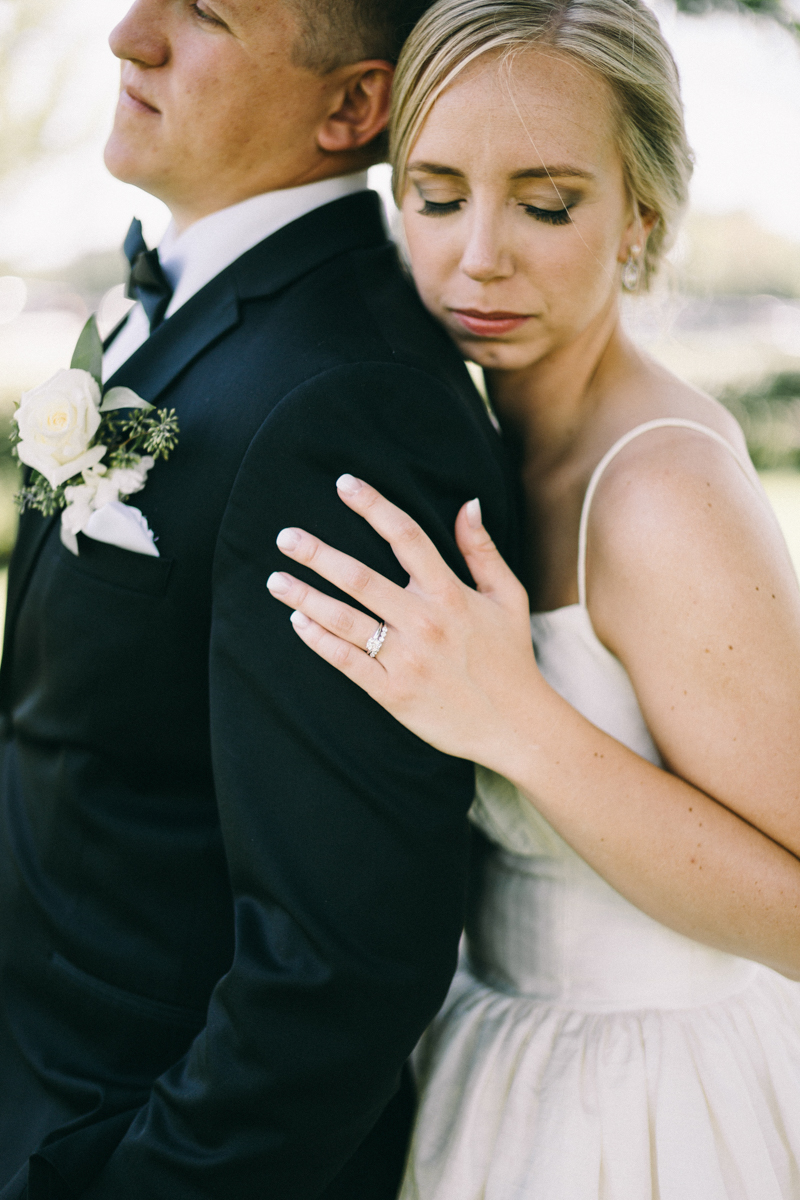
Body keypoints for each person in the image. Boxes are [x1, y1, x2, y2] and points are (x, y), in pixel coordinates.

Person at [267, 0, 800, 1196]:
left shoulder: (657, 489)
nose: (478, 255)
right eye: (436, 194)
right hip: (487, 1065)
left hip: (658, 1115)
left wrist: (512, 718)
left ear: (638, 216)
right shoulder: (473, 442)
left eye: (546, 203)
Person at [0, 1, 523, 1196]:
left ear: (352, 106)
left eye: (205, 13)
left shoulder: (348, 402)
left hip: (110, 1139)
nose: (130, 35)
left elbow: (337, 962)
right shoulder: (198, 308)